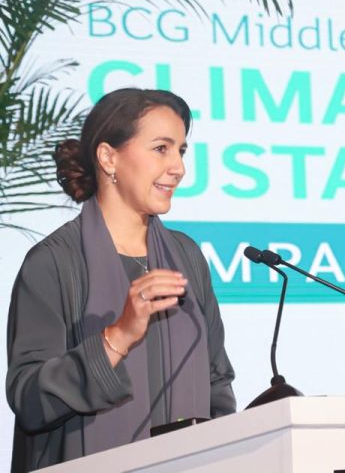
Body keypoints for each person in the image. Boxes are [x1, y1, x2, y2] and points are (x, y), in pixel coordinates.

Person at [5, 88, 236, 471]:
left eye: (181, 151)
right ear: (108, 157)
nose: (178, 167)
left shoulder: (186, 257)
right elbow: (30, 399)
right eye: (161, 149)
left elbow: (217, 383)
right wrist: (118, 337)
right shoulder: (53, 262)